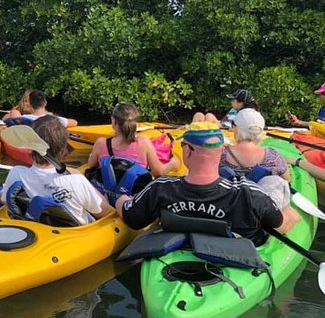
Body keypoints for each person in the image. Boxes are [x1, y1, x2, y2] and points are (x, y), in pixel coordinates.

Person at [114, 122, 297, 246]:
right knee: (275, 183)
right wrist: (289, 210)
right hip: (234, 259)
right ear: (221, 151)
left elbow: (133, 218)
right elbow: (284, 225)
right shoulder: (250, 194)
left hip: (181, 258)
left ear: (187, 150)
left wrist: (120, 198)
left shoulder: (160, 188)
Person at [0, 115, 108, 225]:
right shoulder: (77, 181)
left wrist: (2, 192)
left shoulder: (16, 173)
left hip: (35, 231)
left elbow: (4, 200)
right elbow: (103, 211)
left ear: (30, 146)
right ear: (62, 151)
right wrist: (85, 181)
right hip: (72, 236)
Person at [87, 103, 181, 176]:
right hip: (135, 195)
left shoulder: (100, 143)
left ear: (114, 121)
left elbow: (91, 165)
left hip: (108, 194)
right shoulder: (143, 142)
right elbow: (159, 172)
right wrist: (172, 164)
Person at [193, 88, 257, 128]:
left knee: (209, 116)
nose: (231, 102)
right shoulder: (234, 110)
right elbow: (224, 122)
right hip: (223, 126)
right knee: (198, 115)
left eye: (233, 100)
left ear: (240, 103)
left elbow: (234, 127)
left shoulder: (246, 115)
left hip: (228, 130)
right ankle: (192, 133)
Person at [13, 90, 78, 128]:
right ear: (45, 103)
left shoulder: (23, 118)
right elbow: (74, 122)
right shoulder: (55, 119)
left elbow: (11, 119)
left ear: (30, 104)